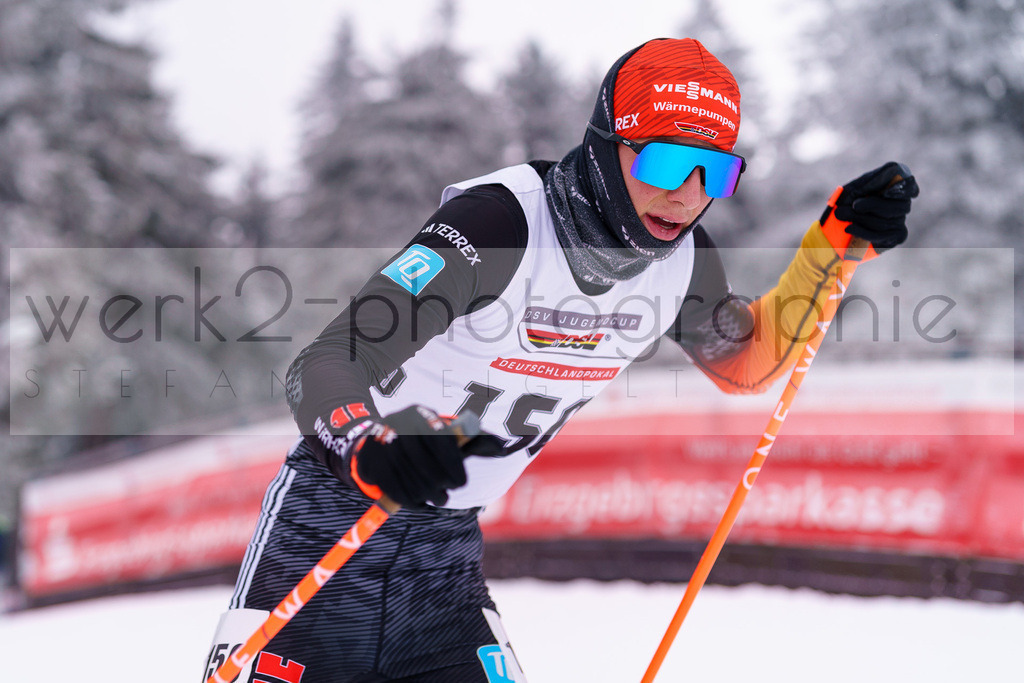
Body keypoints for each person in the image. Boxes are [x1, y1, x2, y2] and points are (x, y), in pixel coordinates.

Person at [204, 38, 918, 682]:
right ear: (607, 146)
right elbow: (327, 360)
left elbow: (748, 361)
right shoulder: (500, 225)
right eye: (668, 159)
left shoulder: (680, 265)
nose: (687, 194)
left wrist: (830, 247)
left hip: (444, 569)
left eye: (714, 171)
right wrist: (373, 443)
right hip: (325, 536)